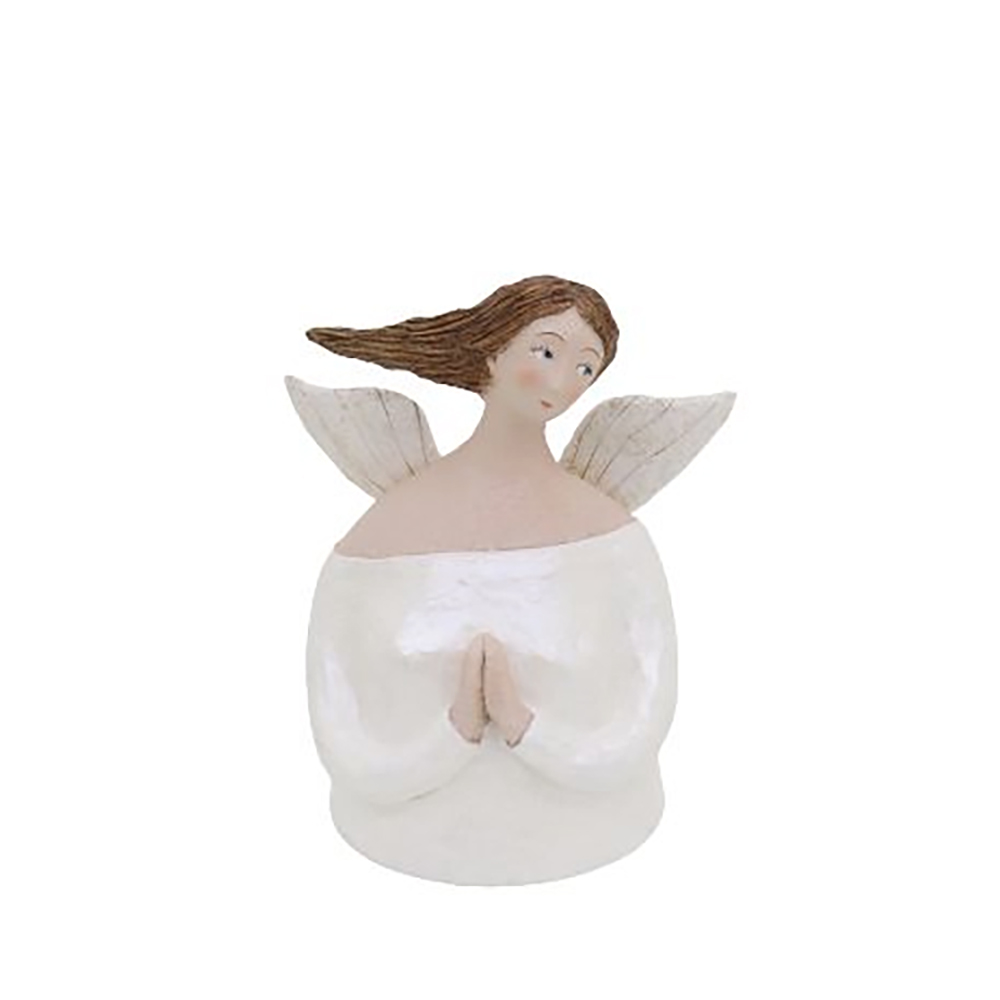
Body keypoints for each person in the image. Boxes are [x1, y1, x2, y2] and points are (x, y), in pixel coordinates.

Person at [289, 275, 734, 884]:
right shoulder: (380, 536)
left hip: (602, 844)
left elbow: (647, 703)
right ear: (493, 352)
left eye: (585, 368)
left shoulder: (613, 537)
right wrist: (451, 736)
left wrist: (526, 728)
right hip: (396, 849)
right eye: (546, 352)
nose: (561, 382)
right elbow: (337, 709)